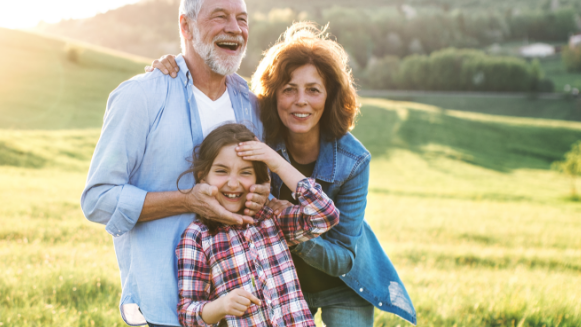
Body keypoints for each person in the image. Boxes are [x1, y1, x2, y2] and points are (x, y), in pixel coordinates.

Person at [147, 22, 418, 326]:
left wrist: (284, 224)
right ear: (273, 95)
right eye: (289, 89)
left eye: (313, 90)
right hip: (280, 286)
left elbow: (341, 253)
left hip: (341, 282)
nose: (301, 100)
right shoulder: (255, 134)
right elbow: (212, 97)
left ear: (329, 96)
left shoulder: (352, 161)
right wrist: (174, 70)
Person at [81, 0, 272, 327]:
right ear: (186, 26)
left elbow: (258, 185)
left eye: (242, 19)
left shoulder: (251, 105)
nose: (235, 28)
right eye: (220, 16)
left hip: (245, 309)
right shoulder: (141, 97)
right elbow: (98, 200)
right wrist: (186, 200)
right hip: (164, 306)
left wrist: (262, 193)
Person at [176, 123, 338, 327]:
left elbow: (325, 215)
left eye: (245, 172)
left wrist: (277, 164)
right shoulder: (197, 236)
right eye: (221, 171)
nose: (233, 183)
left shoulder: (271, 218)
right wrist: (220, 306)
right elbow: (187, 315)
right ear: (202, 176)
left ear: (257, 178)